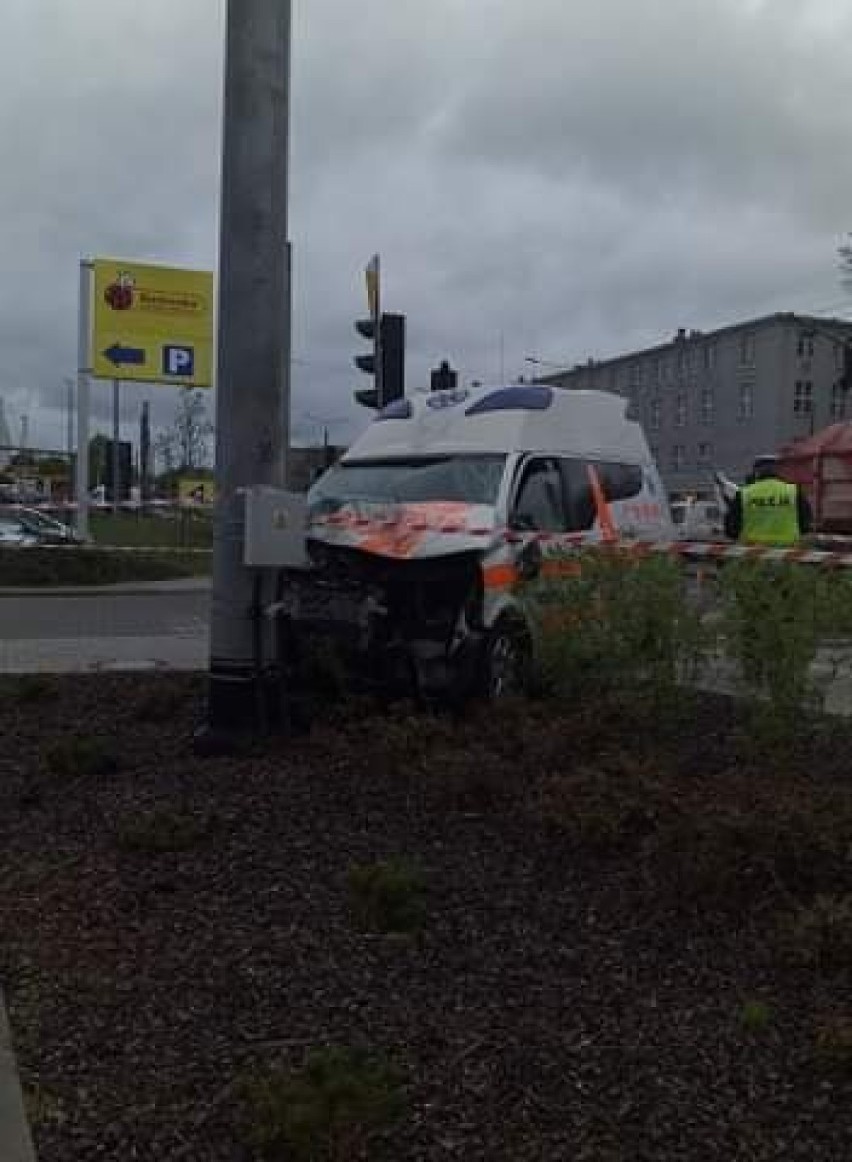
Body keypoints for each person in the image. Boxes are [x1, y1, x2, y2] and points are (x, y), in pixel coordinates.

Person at [724, 457, 812, 545]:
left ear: (756, 473)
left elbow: (732, 529)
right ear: (778, 472)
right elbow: (805, 524)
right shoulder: (793, 491)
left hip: (752, 552)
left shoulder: (744, 494)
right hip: (787, 551)